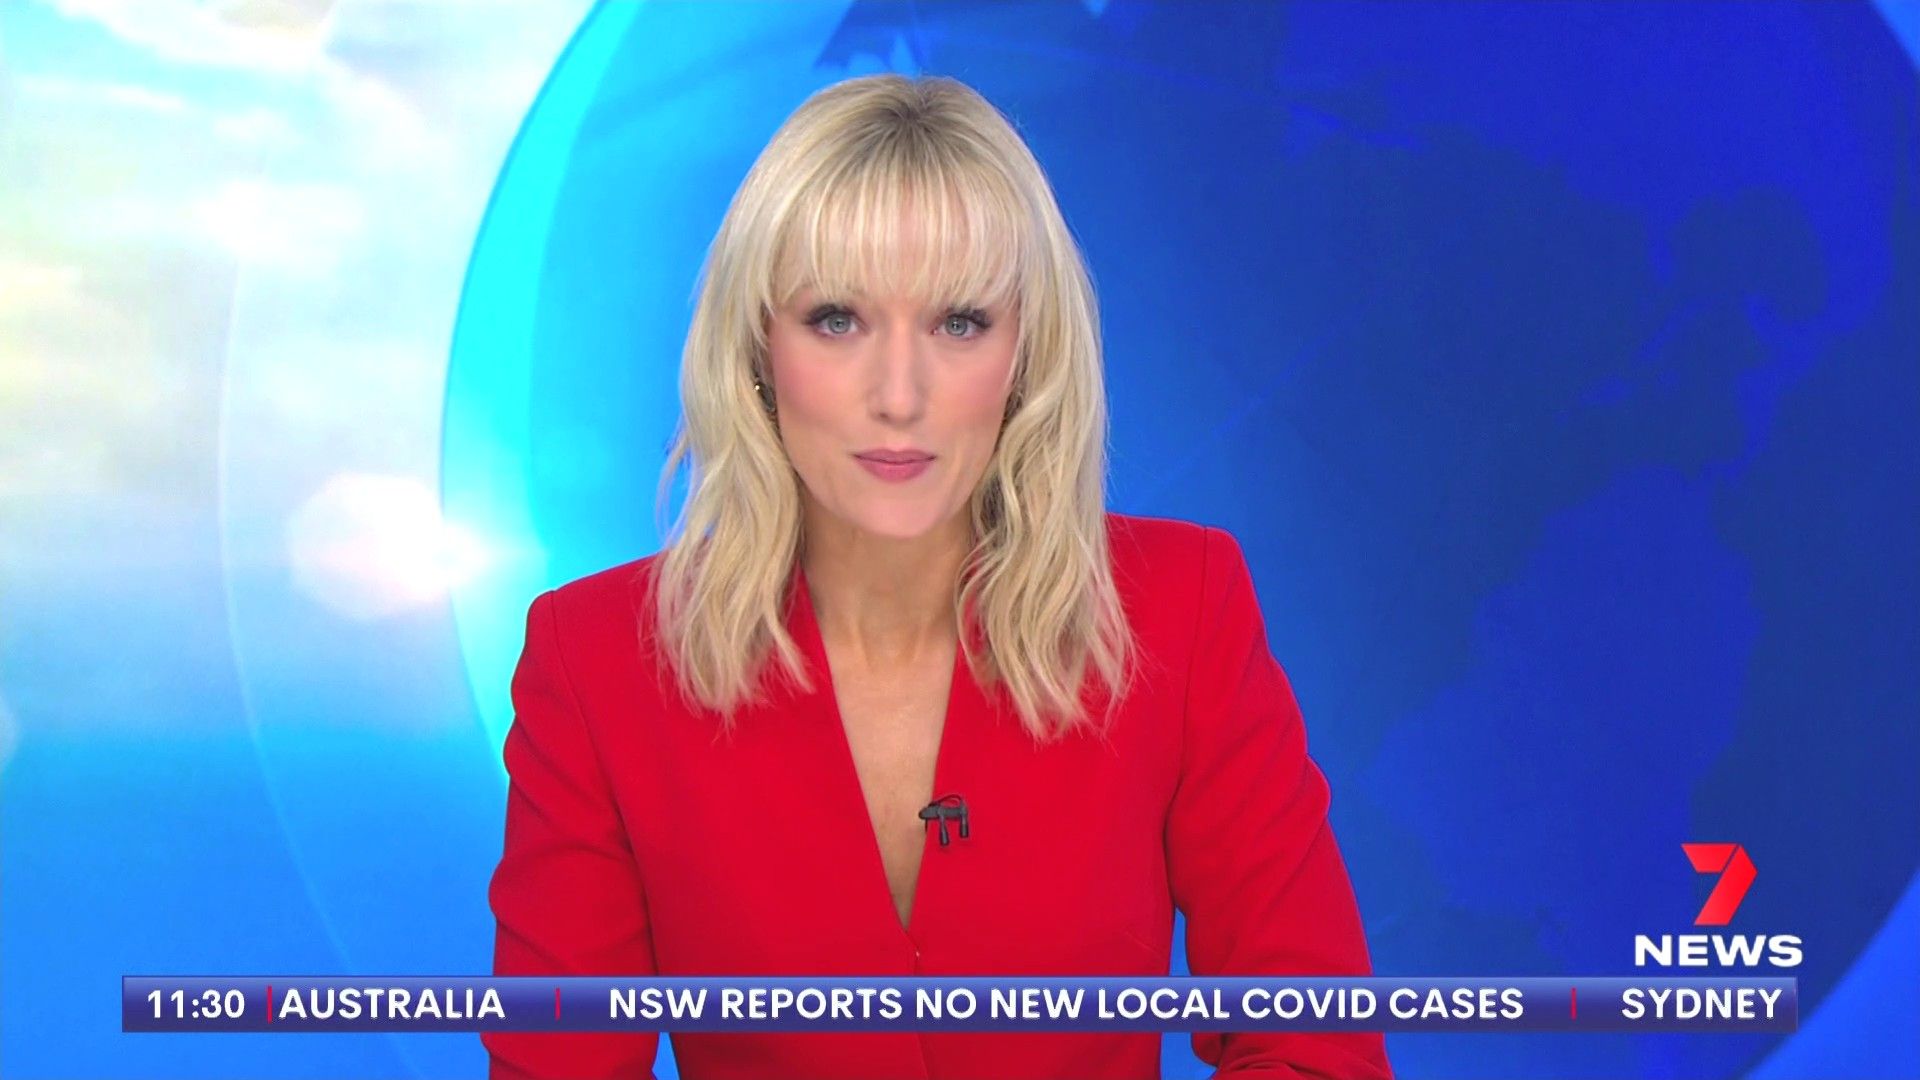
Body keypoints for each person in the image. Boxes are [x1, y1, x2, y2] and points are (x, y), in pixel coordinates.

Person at [483, 72, 1392, 1080]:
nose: (900, 396)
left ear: (1027, 352)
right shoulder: (596, 662)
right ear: (757, 348)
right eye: (837, 319)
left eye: (959, 322)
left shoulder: (1183, 610)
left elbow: (1316, 1047)